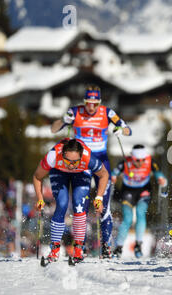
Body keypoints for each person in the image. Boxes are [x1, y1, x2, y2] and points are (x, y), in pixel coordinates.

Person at [51, 85, 132, 258]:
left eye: (95, 104)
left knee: (103, 204)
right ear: (84, 102)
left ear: (99, 103)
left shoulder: (107, 112)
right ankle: (82, 246)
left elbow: (127, 129)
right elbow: (54, 128)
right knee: (82, 205)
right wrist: (63, 119)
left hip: (101, 160)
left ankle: (106, 246)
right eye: (89, 103)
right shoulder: (75, 112)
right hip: (81, 161)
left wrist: (120, 130)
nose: (91, 107)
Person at [33, 138, 109, 264]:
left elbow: (104, 174)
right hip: (59, 171)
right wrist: (40, 198)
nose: (71, 165)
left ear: (81, 156)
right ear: (62, 155)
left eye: (75, 161)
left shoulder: (88, 157)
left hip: (81, 173)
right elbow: (37, 176)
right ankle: (55, 249)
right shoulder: (53, 156)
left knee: (79, 204)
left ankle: (79, 249)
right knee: (62, 204)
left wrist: (99, 198)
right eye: (68, 160)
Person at [111, 145, 168, 258]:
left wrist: (161, 180)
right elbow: (113, 173)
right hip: (128, 191)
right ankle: (118, 247)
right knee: (127, 219)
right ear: (132, 158)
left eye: (143, 160)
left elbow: (159, 174)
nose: (140, 162)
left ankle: (138, 245)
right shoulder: (125, 163)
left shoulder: (150, 161)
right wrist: (113, 177)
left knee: (140, 214)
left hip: (144, 191)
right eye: (137, 160)